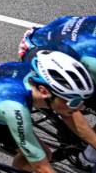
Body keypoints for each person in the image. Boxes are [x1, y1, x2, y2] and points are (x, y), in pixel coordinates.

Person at [19, 16, 96, 170]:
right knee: (69, 103)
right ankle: (88, 158)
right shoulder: (92, 61)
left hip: (62, 41)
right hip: (39, 52)